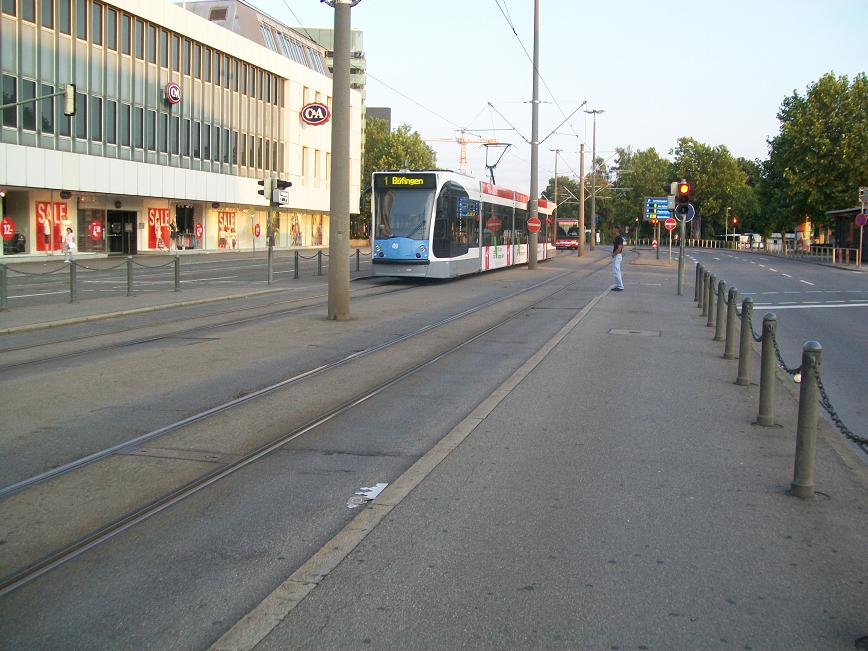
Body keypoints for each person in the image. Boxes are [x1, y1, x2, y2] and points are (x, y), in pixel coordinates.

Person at [611, 225, 625, 291]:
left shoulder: (619, 238)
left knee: (616, 271)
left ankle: (620, 286)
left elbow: (620, 248)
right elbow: (622, 247)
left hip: (617, 256)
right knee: (615, 271)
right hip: (618, 256)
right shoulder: (618, 238)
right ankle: (618, 285)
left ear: (616, 230)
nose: (612, 230)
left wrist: (614, 254)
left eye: (613, 229)